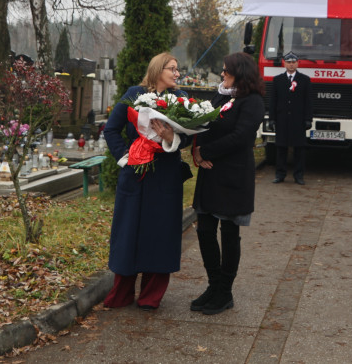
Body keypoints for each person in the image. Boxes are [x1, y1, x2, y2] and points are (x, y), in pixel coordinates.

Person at [102, 53, 190, 310]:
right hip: (136, 174)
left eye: (177, 69)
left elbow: (190, 137)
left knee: (160, 234)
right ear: (157, 70)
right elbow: (111, 129)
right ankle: (122, 292)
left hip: (165, 176)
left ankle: (151, 296)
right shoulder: (134, 94)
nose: (177, 74)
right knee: (130, 231)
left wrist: (171, 136)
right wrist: (124, 158)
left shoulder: (181, 98)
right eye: (172, 69)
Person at [191, 52, 266, 315]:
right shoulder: (221, 95)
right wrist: (197, 151)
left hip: (233, 176)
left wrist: (207, 153)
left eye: (226, 70)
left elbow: (241, 137)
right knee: (204, 231)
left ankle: (225, 292)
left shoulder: (253, 101)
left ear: (240, 73)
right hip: (210, 174)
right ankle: (213, 286)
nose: (222, 74)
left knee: (229, 234)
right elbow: (203, 124)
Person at [269, 51, 312, 185]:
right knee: (281, 148)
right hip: (282, 119)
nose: (291, 65)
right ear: (284, 63)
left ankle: (298, 176)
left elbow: (308, 102)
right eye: (289, 62)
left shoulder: (305, 80)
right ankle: (280, 174)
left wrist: (308, 119)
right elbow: (273, 101)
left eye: (293, 62)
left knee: (299, 149)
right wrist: (272, 119)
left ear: (297, 63)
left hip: (298, 120)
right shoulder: (277, 80)